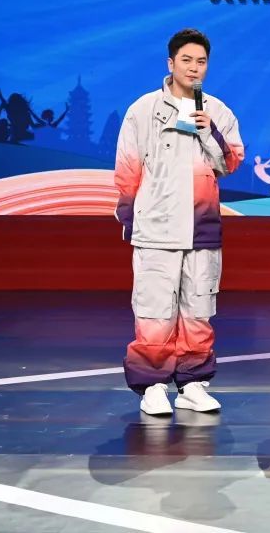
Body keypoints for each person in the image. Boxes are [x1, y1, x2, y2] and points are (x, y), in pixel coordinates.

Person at [114, 28, 244, 417]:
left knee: (198, 310)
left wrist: (209, 131)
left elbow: (231, 162)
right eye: (186, 60)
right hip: (156, 228)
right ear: (171, 63)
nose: (194, 68)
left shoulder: (217, 110)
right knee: (154, 311)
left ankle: (192, 384)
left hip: (202, 229)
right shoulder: (143, 109)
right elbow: (127, 167)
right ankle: (153, 385)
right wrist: (129, 215)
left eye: (201, 61)